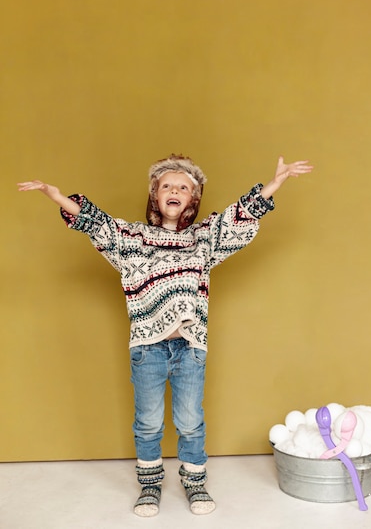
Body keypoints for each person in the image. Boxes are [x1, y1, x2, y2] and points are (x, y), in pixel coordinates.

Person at [18, 153, 313, 517]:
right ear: (155, 195)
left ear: (194, 198)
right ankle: (150, 485)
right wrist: (57, 196)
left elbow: (240, 217)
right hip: (147, 348)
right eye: (167, 185)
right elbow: (98, 224)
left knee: (190, 422)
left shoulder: (203, 239)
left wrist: (274, 185)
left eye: (184, 187)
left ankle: (194, 482)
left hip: (190, 347)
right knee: (148, 422)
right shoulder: (133, 239)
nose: (175, 190)